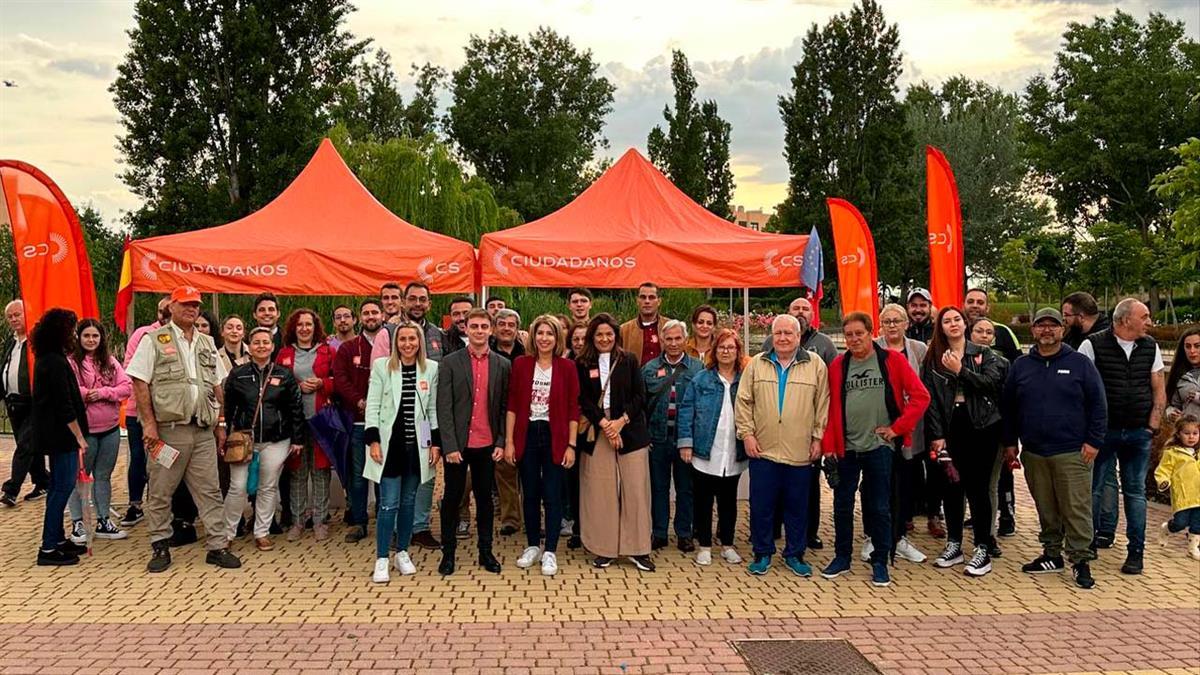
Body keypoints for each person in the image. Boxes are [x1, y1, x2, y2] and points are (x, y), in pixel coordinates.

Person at [127, 285, 240, 572]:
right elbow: (140, 381)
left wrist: (221, 424)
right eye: (186, 304)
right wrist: (149, 424)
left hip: (202, 429)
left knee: (210, 490)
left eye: (196, 305)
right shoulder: (153, 340)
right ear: (172, 307)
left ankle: (217, 546)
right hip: (168, 430)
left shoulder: (205, 342)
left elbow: (218, 385)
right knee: (161, 491)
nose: (192, 309)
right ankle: (160, 545)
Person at [821, 312, 930, 587]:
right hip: (846, 448)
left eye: (859, 333)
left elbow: (921, 396)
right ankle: (841, 557)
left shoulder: (892, 361)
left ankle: (881, 561)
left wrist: (898, 428)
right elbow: (829, 409)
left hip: (879, 447)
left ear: (871, 333)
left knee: (880, 506)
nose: (854, 339)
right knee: (842, 505)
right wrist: (830, 446)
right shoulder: (837, 366)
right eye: (849, 335)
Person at [1002, 307, 1105, 589]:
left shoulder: (1080, 363)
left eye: (1053, 325)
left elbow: (1098, 405)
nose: (1047, 330)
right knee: (1046, 507)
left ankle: (1081, 560)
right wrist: (1011, 443)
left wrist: (1094, 442)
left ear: (1062, 329)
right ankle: (1051, 554)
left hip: (1073, 451)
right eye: (1041, 325)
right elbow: (1009, 408)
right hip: (1034, 451)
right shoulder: (1021, 366)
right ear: (1033, 330)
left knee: (1075, 507)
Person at [1077, 298, 1166, 575]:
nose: (1150, 321)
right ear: (1126, 319)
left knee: (1135, 493)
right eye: (1145, 316)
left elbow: (1158, 387)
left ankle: (1136, 552)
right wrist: (1090, 431)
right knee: (1093, 488)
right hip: (1103, 432)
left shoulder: (1150, 346)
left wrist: (1152, 426)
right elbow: (1080, 389)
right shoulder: (1091, 345)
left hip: (1139, 432)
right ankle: (1087, 544)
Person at [736, 314, 829, 577]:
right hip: (763, 449)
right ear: (771, 336)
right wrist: (747, 434)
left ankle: (795, 554)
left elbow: (822, 403)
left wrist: (817, 437)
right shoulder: (757, 364)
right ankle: (762, 553)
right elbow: (743, 401)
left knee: (797, 507)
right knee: (761, 505)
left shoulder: (815, 365)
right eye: (778, 333)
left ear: (799, 336)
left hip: (799, 450)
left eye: (789, 333)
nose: (783, 338)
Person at [922, 307, 1007, 577]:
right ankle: (954, 543)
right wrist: (936, 435)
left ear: (965, 323)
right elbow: (931, 400)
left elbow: (991, 386)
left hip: (982, 427)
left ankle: (982, 546)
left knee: (979, 488)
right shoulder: (933, 358)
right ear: (941, 327)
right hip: (950, 427)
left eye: (957, 319)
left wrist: (960, 371)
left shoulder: (983, 353)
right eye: (946, 321)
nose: (953, 324)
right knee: (952, 487)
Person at [576, 313, 655, 571]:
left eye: (609, 334)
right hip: (598, 429)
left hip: (629, 428)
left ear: (616, 336)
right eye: (599, 334)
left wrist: (620, 422)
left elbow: (639, 395)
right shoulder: (583, 362)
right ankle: (604, 548)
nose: (604, 338)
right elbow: (585, 399)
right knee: (601, 491)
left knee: (635, 489)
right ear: (592, 337)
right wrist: (605, 425)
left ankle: (638, 548)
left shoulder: (629, 360)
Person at [371, 281, 445, 549]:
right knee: (391, 491)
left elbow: (439, 388)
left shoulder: (438, 334)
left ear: (429, 303)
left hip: (424, 427)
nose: (417, 303)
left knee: (423, 480)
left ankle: (419, 527)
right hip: (392, 427)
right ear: (403, 302)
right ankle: (390, 532)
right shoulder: (386, 333)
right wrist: (374, 437)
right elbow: (377, 390)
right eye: (412, 299)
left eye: (422, 299)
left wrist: (436, 438)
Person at [364, 322, 440, 583]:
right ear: (396, 342)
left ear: (420, 342)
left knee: (409, 502)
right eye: (402, 339)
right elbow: (372, 405)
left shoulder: (430, 369)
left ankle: (403, 552)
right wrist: (373, 440)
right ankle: (383, 557)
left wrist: (434, 444)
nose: (408, 344)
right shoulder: (383, 367)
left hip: (415, 447)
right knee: (388, 504)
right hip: (389, 447)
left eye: (413, 339)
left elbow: (430, 411)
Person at [435, 308, 509, 576]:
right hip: (458, 445)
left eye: (483, 327)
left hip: (487, 444)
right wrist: (449, 446)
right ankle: (448, 553)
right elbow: (443, 407)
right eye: (474, 326)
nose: (479, 331)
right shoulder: (450, 362)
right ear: (465, 329)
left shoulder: (502, 364)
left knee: (485, 501)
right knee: (452, 499)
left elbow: (503, 408)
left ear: (491, 330)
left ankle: (486, 552)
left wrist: (501, 441)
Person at [505, 315, 580, 576]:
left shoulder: (567, 367)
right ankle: (532, 546)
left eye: (549, 333)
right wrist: (509, 441)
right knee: (530, 492)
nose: (544, 338)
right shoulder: (522, 364)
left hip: (555, 434)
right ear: (533, 337)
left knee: (552, 493)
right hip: (528, 433)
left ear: (557, 338)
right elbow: (513, 405)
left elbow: (573, 409)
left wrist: (571, 444)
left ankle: (549, 550)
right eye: (540, 333)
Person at [760, 296, 837, 549]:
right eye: (796, 308)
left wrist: (820, 435)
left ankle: (808, 534)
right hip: (772, 437)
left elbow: (827, 391)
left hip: (805, 435)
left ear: (811, 314)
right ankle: (772, 534)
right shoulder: (768, 347)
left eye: (805, 308)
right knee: (773, 489)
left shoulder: (824, 346)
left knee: (807, 491)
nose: (801, 311)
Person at [221, 327, 305, 551]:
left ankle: (261, 532)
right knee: (237, 487)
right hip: (243, 439)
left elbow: (295, 408)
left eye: (265, 342)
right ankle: (227, 533)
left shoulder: (284, 375)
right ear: (250, 346)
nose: (261, 346)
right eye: (256, 342)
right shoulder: (238, 374)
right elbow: (228, 408)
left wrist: (297, 439)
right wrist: (225, 433)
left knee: (268, 486)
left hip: (276, 439)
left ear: (272, 346)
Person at [677, 328, 748, 566]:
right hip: (705, 450)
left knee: (729, 502)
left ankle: (727, 544)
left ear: (738, 351)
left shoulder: (745, 379)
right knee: (703, 501)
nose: (726, 351)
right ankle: (705, 546)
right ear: (714, 351)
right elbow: (686, 411)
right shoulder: (702, 379)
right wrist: (686, 443)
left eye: (731, 347)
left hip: (734, 451)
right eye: (721, 347)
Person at [870, 303, 933, 561]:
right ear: (880, 325)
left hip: (911, 429)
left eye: (897, 321)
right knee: (876, 484)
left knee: (905, 483)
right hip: (878, 428)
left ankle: (901, 536)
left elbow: (926, 387)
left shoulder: (919, 349)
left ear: (907, 324)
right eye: (887, 321)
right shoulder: (873, 346)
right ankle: (873, 537)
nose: (892, 325)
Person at [30, 309, 88, 565]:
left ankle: (58, 537)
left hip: (56, 435)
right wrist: (79, 437)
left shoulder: (49, 358)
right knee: (61, 488)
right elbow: (64, 405)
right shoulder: (54, 362)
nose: (74, 335)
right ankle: (48, 547)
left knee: (58, 487)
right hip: (62, 436)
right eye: (71, 329)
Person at [66, 319, 133, 543]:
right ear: (79, 338)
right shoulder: (72, 363)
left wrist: (104, 392)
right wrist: (87, 394)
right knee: (81, 478)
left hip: (110, 429)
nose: (91, 340)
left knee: (103, 476)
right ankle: (78, 522)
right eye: (87, 336)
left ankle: (104, 519)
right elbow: (72, 388)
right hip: (86, 430)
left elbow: (126, 386)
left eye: (95, 336)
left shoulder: (110, 362)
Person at [641, 320, 702, 552]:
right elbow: (641, 405)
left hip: (685, 440)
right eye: (669, 339)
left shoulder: (697, 369)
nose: (674, 343)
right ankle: (659, 532)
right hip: (657, 439)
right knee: (659, 488)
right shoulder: (648, 369)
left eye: (678, 338)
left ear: (685, 340)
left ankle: (684, 533)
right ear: (662, 341)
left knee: (686, 488)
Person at [277, 309, 336, 541]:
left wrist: (323, 383)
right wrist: (296, 386)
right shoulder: (284, 353)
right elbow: (277, 383)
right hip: (295, 423)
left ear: (315, 327)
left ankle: (320, 521)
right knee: (297, 472)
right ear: (294, 327)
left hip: (321, 420)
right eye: (300, 324)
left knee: (320, 471)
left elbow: (337, 380)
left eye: (308, 324)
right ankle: (298, 521)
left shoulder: (327, 350)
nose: (304, 328)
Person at [116, 296, 171, 526]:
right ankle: (135, 504)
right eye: (163, 310)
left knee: (165, 461)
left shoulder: (186, 336)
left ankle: (166, 507)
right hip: (137, 411)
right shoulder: (144, 334)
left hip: (169, 414)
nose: (166, 314)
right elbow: (131, 369)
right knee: (138, 458)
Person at [333, 299, 384, 542]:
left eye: (375, 312)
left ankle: (386, 521)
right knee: (359, 474)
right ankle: (359, 521)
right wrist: (360, 401)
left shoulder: (392, 344)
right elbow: (340, 380)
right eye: (366, 313)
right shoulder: (348, 348)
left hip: (386, 422)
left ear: (382, 315)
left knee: (386, 473)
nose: (370, 316)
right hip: (358, 420)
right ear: (359, 319)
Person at [970, 317, 1015, 551]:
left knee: (990, 484)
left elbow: (1008, 401)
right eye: (979, 331)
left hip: (993, 431)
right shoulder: (957, 360)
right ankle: (955, 537)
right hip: (964, 431)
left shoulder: (1003, 364)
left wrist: (1009, 438)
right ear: (970, 334)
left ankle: (988, 535)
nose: (984, 335)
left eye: (989, 332)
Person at [1, 299, 48, 507]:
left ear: (27, 314)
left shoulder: (36, 341)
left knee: (24, 445)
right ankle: (43, 481)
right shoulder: (11, 342)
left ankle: (11, 489)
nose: (13, 319)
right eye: (10, 316)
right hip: (13, 403)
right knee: (30, 446)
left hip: (33, 402)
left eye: (17, 315)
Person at [489, 307, 525, 536]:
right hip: (489, 417)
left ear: (517, 329)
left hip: (518, 418)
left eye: (511, 325)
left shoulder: (526, 353)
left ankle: (511, 519)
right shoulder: (486, 352)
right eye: (502, 324)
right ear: (494, 328)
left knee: (508, 470)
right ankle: (460, 515)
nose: (506, 328)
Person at [1155, 415, 1200, 560]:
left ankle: (1193, 548)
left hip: (1199, 495)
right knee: (1180, 523)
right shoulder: (1172, 453)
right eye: (1187, 433)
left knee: (1198, 523)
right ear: (1179, 434)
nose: (1191, 437)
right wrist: (1163, 481)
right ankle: (1167, 528)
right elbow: (1163, 470)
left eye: (1195, 433)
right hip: (1184, 494)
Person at [619, 282, 670, 366]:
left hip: (666, 378)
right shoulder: (624, 330)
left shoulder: (670, 326)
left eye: (651, 297)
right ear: (637, 300)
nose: (647, 301)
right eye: (643, 297)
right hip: (635, 378)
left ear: (659, 301)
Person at [963, 289, 1020, 362]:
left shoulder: (1003, 331)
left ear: (987, 308)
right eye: (970, 302)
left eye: (980, 303)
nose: (975, 305)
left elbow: (1018, 364)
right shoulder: (957, 331)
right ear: (963, 305)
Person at [1165, 326, 1200, 421]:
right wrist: (1171, 413)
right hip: (1189, 433)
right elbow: (1171, 404)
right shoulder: (1179, 375)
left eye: (1197, 346)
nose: (1192, 351)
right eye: (1188, 346)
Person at [252, 292, 283, 357]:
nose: (267, 313)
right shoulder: (246, 340)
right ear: (254, 315)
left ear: (278, 314)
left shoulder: (288, 340)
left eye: (271, 309)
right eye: (262, 310)